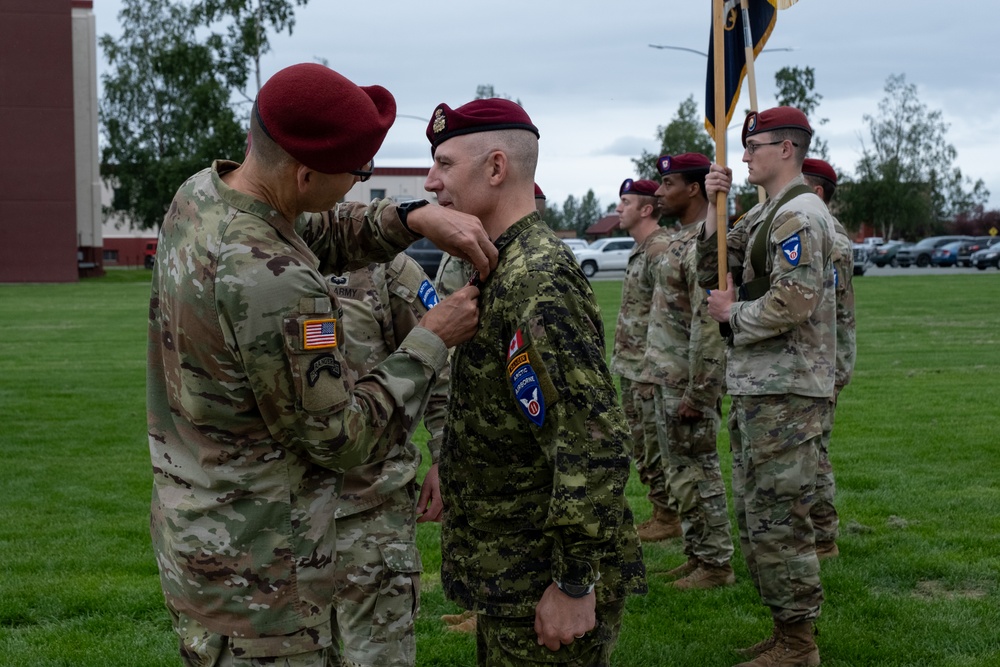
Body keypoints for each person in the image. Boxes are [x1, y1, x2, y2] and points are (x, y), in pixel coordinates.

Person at [147, 62, 497, 667]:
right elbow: (338, 437)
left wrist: (409, 217)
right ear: (305, 172)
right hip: (266, 577)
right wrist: (431, 341)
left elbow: (310, 227)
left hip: (207, 544)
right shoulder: (272, 280)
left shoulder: (202, 195)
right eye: (355, 174)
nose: (357, 184)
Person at [424, 98, 647, 666]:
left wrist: (574, 583)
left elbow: (591, 439)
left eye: (445, 164)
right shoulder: (500, 264)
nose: (431, 182)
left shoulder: (537, 278)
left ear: (496, 168)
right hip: (510, 572)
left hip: (540, 578)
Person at [697, 107, 835, 667]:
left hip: (787, 389)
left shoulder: (799, 214)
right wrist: (713, 204)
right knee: (758, 518)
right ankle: (785, 631)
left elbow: (795, 302)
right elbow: (711, 264)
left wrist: (733, 317)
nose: (743, 154)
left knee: (781, 519)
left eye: (754, 144)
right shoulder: (764, 213)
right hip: (761, 385)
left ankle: (799, 645)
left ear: (787, 149)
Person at [326, 254, 449, 666]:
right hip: (278, 512)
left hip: (370, 506)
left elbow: (440, 361)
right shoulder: (254, 251)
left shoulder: (385, 268)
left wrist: (442, 457)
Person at [647, 153, 735, 589]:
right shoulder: (681, 239)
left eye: (669, 184)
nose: (660, 192)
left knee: (698, 472)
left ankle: (716, 563)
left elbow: (709, 324)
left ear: (695, 189)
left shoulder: (708, 245)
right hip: (669, 377)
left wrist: (700, 392)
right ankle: (698, 553)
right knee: (680, 474)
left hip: (687, 381)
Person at [609, 177, 683, 544]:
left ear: (646, 209)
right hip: (632, 365)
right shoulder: (642, 250)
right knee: (641, 443)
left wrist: (654, 368)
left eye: (625, 202)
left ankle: (669, 516)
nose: (619, 209)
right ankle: (662, 511)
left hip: (649, 370)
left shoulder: (659, 250)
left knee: (654, 446)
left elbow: (669, 316)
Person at [801, 157, 856, 560]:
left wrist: (834, 375)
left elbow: (829, 310)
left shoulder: (830, 238)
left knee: (815, 454)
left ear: (816, 192)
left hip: (822, 364)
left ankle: (823, 538)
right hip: (815, 362)